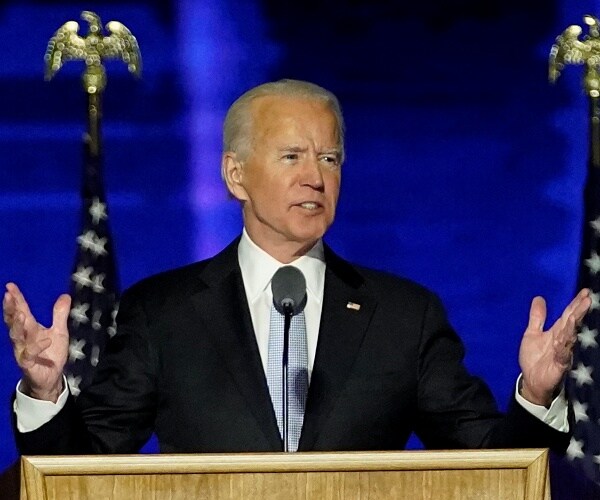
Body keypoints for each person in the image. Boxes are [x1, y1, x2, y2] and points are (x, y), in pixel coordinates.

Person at [4, 79, 591, 455]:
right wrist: (45, 391)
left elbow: (490, 463)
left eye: (329, 157)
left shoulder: (403, 315)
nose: (315, 176)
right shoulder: (163, 314)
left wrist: (537, 398)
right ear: (236, 175)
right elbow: (83, 469)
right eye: (292, 156)